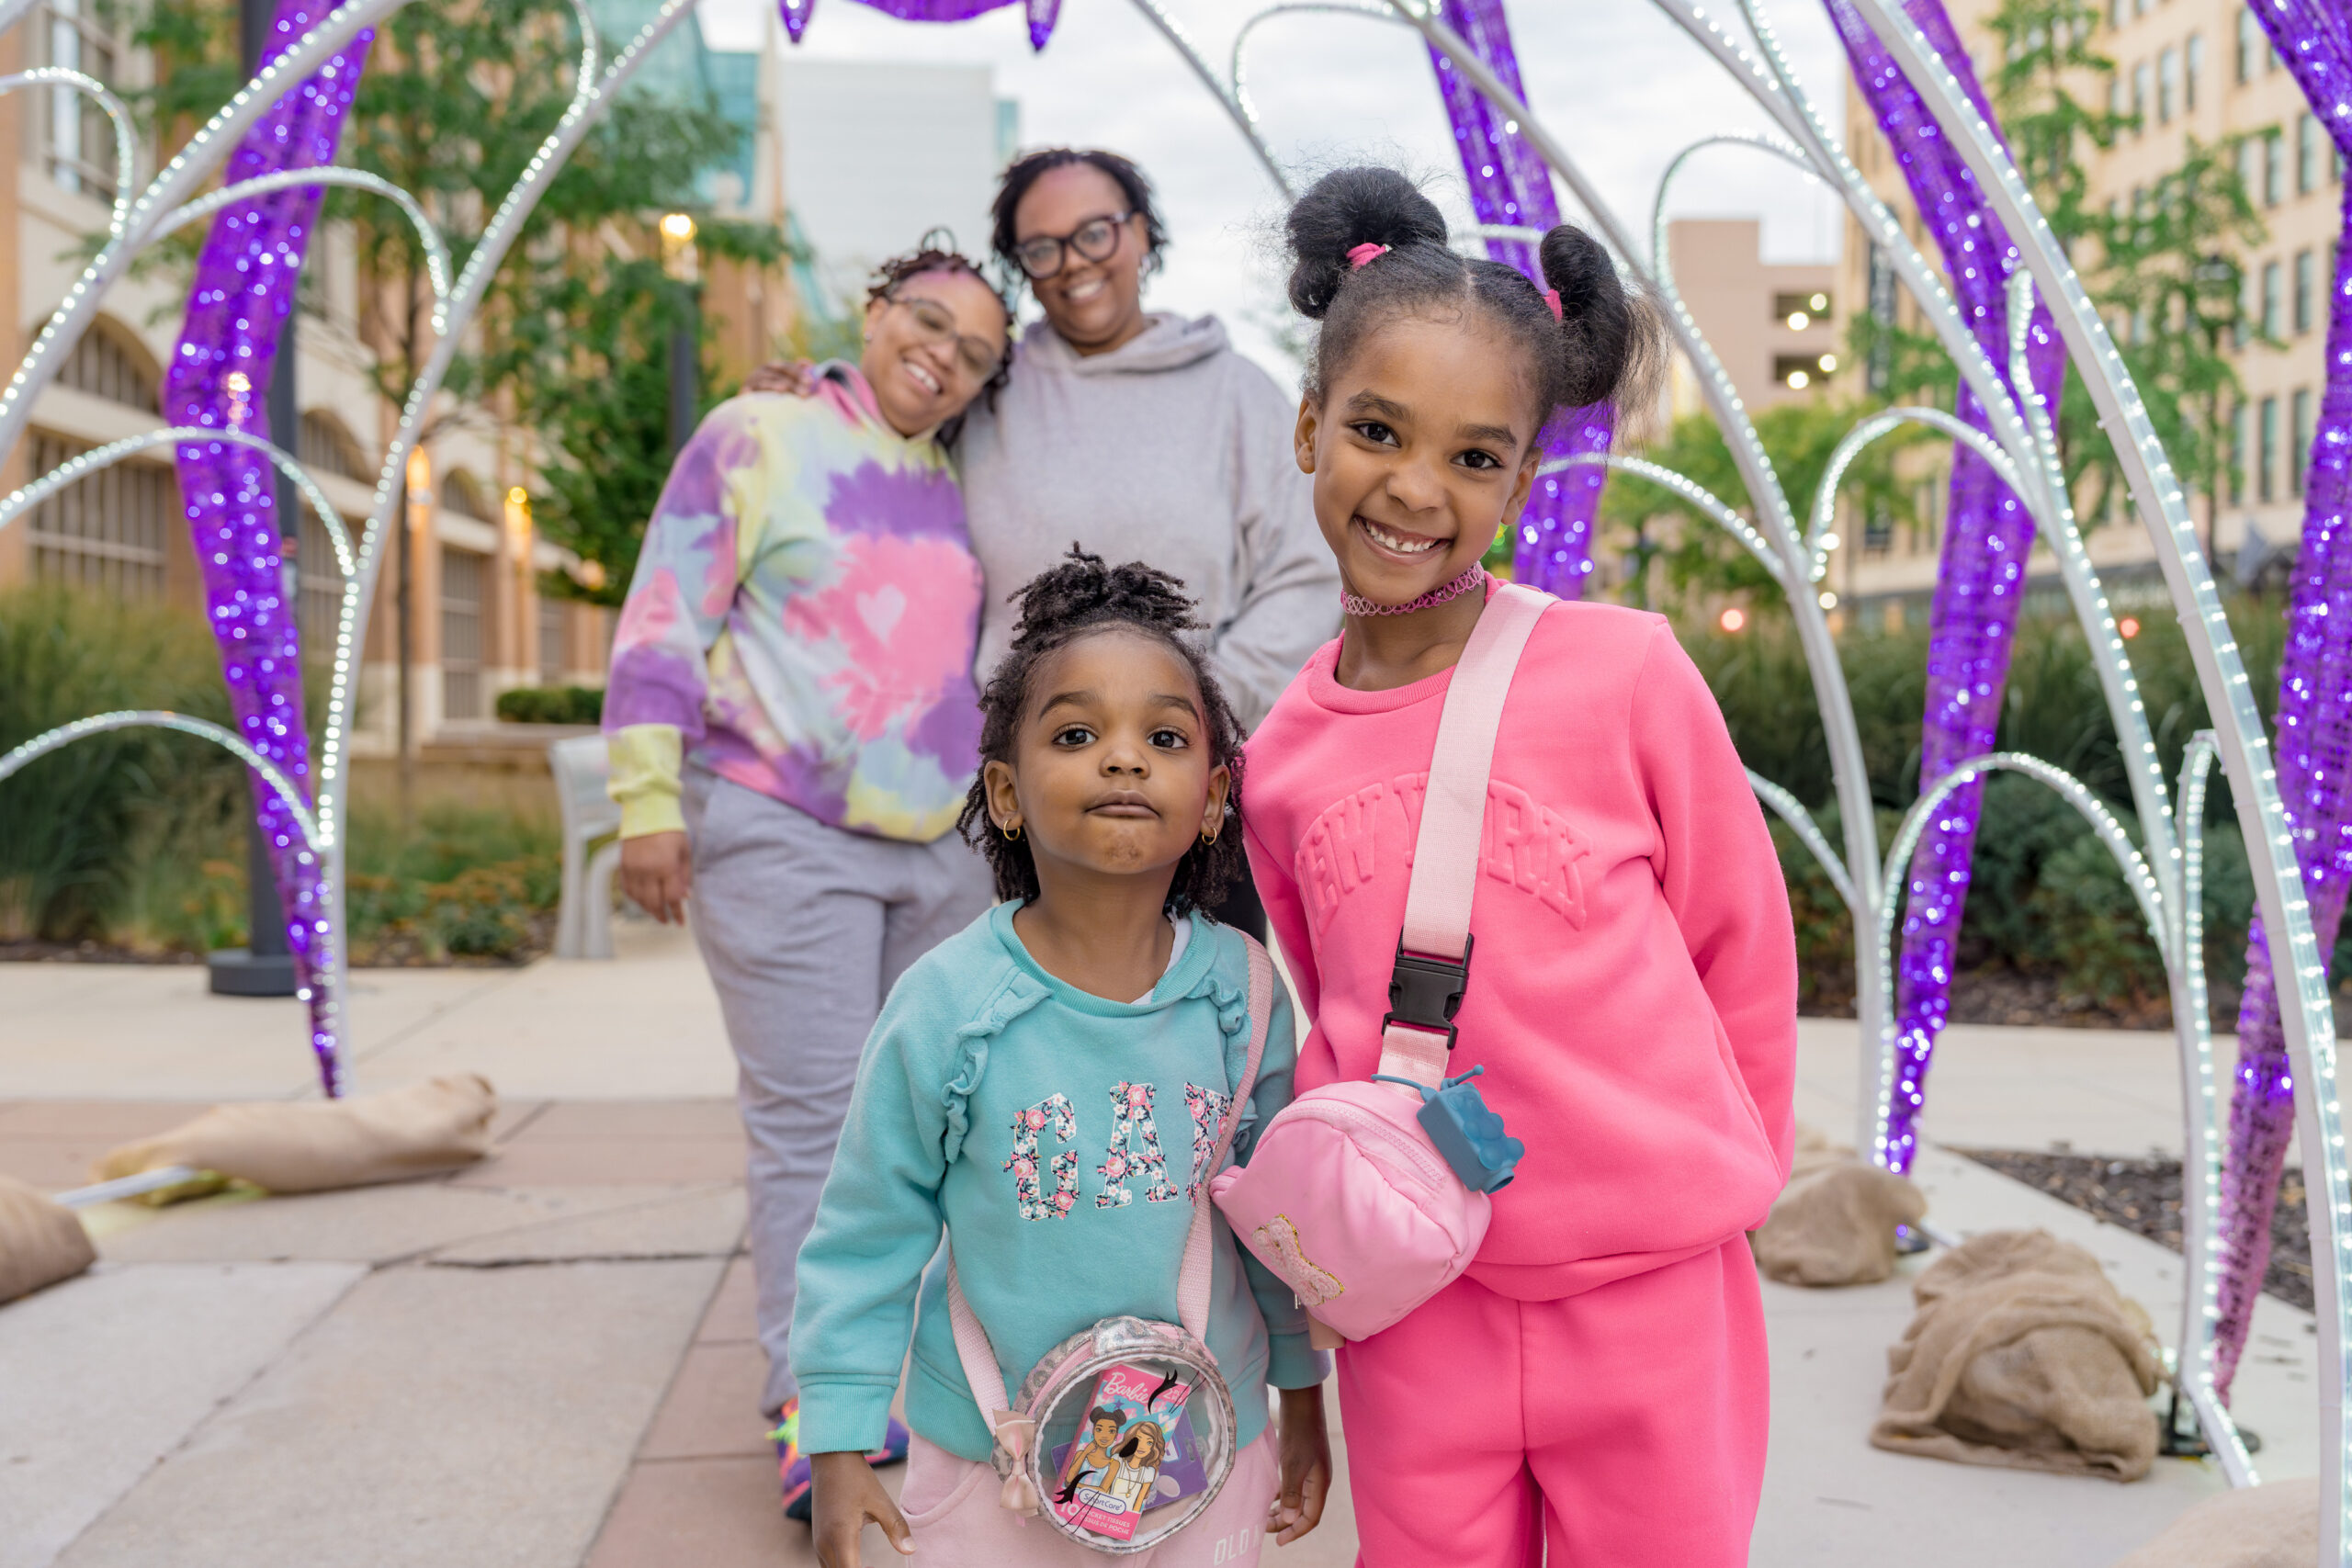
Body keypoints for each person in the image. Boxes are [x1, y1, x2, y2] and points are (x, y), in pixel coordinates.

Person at [1238, 167, 1797, 1567]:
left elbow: (1743, 941)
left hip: (1656, 1294)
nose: (1416, 488)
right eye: (1377, 429)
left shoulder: (1627, 673)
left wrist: (1731, 1180)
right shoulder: (1285, 753)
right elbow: (1330, 1005)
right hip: (1424, 1298)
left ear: (1522, 479)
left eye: (1476, 456)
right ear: (1310, 427)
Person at [788, 551, 1333, 1568]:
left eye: (1163, 738)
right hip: (992, 1451)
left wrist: (1300, 1396)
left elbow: (1274, 1228)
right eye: (1077, 734)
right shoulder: (947, 1008)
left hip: (1201, 1444)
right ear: (1004, 791)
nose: (1122, 759)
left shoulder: (1244, 994)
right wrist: (838, 1437)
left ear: (1213, 798)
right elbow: (866, 1230)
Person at [601, 243, 1012, 1520]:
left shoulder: (962, 485)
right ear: (876, 310)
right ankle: (814, 1403)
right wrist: (647, 804)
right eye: (925, 321)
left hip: (940, 852)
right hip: (781, 832)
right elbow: (662, 616)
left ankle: (911, 1376)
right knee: (818, 1135)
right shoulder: (755, 433)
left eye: (974, 352)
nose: (940, 355)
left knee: (930, 1135)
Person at [750, 148, 1340, 938]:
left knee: (1201, 1037)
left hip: (1184, 795)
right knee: (1020, 1043)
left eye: (1095, 233)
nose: (1072, 264)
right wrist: (822, 390)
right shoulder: (990, 388)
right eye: (1042, 248)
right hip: (1012, 807)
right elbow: (895, 434)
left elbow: (1305, 572)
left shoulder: (1237, 395)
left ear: (1140, 235)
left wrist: (1199, 717)